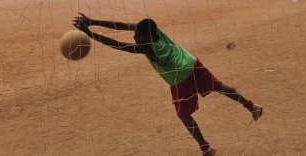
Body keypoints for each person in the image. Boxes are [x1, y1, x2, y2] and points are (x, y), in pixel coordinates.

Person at [73, 13, 263, 156]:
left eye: (137, 36)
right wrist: (93, 21)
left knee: (183, 114)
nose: (134, 37)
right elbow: (122, 25)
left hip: (180, 76)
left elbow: (118, 44)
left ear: (146, 37)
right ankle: (251, 106)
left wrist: (89, 33)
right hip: (192, 62)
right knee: (220, 87)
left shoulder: (146, 47)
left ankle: (205, 148)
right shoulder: (155, 32)